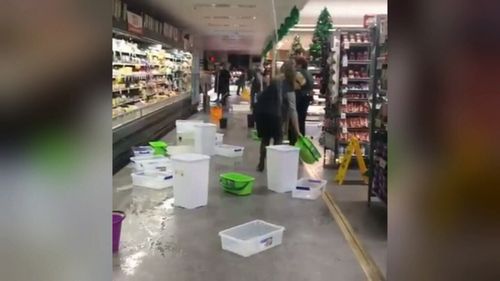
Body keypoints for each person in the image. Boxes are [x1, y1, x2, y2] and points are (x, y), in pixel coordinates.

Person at [254, 60, 301, 172]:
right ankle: (274, 166)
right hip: (274, 114)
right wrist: (297, 130)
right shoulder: (289, 84)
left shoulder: (275, 79)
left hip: (261, 112)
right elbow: (292, 109)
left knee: (265, 139)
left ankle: (261, 164)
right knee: (278, 139)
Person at [288, 56, 314, 145]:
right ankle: (301, 140)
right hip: (306, 98)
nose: (294, 66)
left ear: (299, 64)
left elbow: (299, 84)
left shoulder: (298, 73)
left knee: (294, 120)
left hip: (299, 97)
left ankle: (293, 141)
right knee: (302, 120)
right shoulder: (309, 73)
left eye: (295, 63)